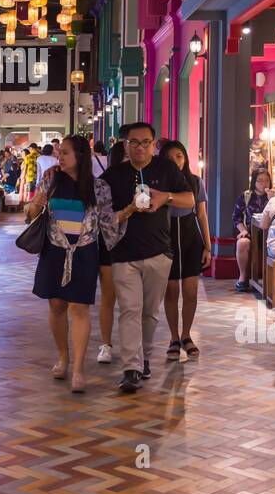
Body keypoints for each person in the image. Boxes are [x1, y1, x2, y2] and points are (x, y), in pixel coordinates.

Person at [102, 121, 194, 393]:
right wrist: (129, 210)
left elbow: (189, 200)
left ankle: (144, 357)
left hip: (158, 253)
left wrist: (165, 197)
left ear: (154, 145)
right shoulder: (113, 175)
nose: (140, 147)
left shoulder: (166, 170)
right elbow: (103, 216)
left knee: (149, 312)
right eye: (134, 142)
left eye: (146, 142)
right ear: (125, 145)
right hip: (123, 254)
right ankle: (131, 368)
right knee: (129, 308)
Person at [25, 135, 121, 393]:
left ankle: (78, 368)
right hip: (54, 250)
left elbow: (109, 221)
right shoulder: (50, 179)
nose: (60, 157)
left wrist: (132, 210)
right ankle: (62, 357)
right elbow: (31, 214)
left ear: (79, 156)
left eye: (65, 153)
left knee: (79, 308)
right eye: (59, 152)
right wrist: (35, 205)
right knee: (56, 305)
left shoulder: (98, 187)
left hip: (84, 252)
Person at [159, 140, 211, 360]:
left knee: (190, 292)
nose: (175, 161)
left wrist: (208, 246)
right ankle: (173, 338)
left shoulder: (195, 182)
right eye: (170, 158)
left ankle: (187, 335)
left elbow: (201, 215)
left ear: (185, 158)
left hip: (191, 240)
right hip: (166, 241)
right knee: (171, 292)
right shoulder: (159, 185)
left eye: (179, 156)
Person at [95, 136, 130, 363]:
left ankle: (131, 345)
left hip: (134, 243)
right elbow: (103, 216)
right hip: (109, 242)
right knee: (109, 296)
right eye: (127, 155)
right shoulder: (105, 181)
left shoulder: (141, 179)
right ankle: (106, 344)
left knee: (131, 300)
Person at [232, 169, 272, 294]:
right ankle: (243, 278)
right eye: (260, 180)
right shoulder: (246, 196)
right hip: (251, 233)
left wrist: (272, 199)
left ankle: (274, 281)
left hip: (270, 234)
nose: (264, 184)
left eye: (266, 180)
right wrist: (243, 230)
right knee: (242, 243)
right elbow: (236, 217)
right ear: (254, 181)